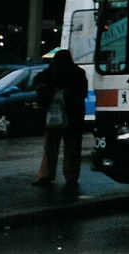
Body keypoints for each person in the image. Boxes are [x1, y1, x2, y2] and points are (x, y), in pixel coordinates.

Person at [32, 49, 88, 192]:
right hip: (74, 117)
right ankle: (71, 176)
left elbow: (37, 83)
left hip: (54, 116)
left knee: (51, 148)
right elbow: (82, 94)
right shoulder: (78, 73)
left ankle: (47, 175)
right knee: (72, 148)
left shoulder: (50, 72)